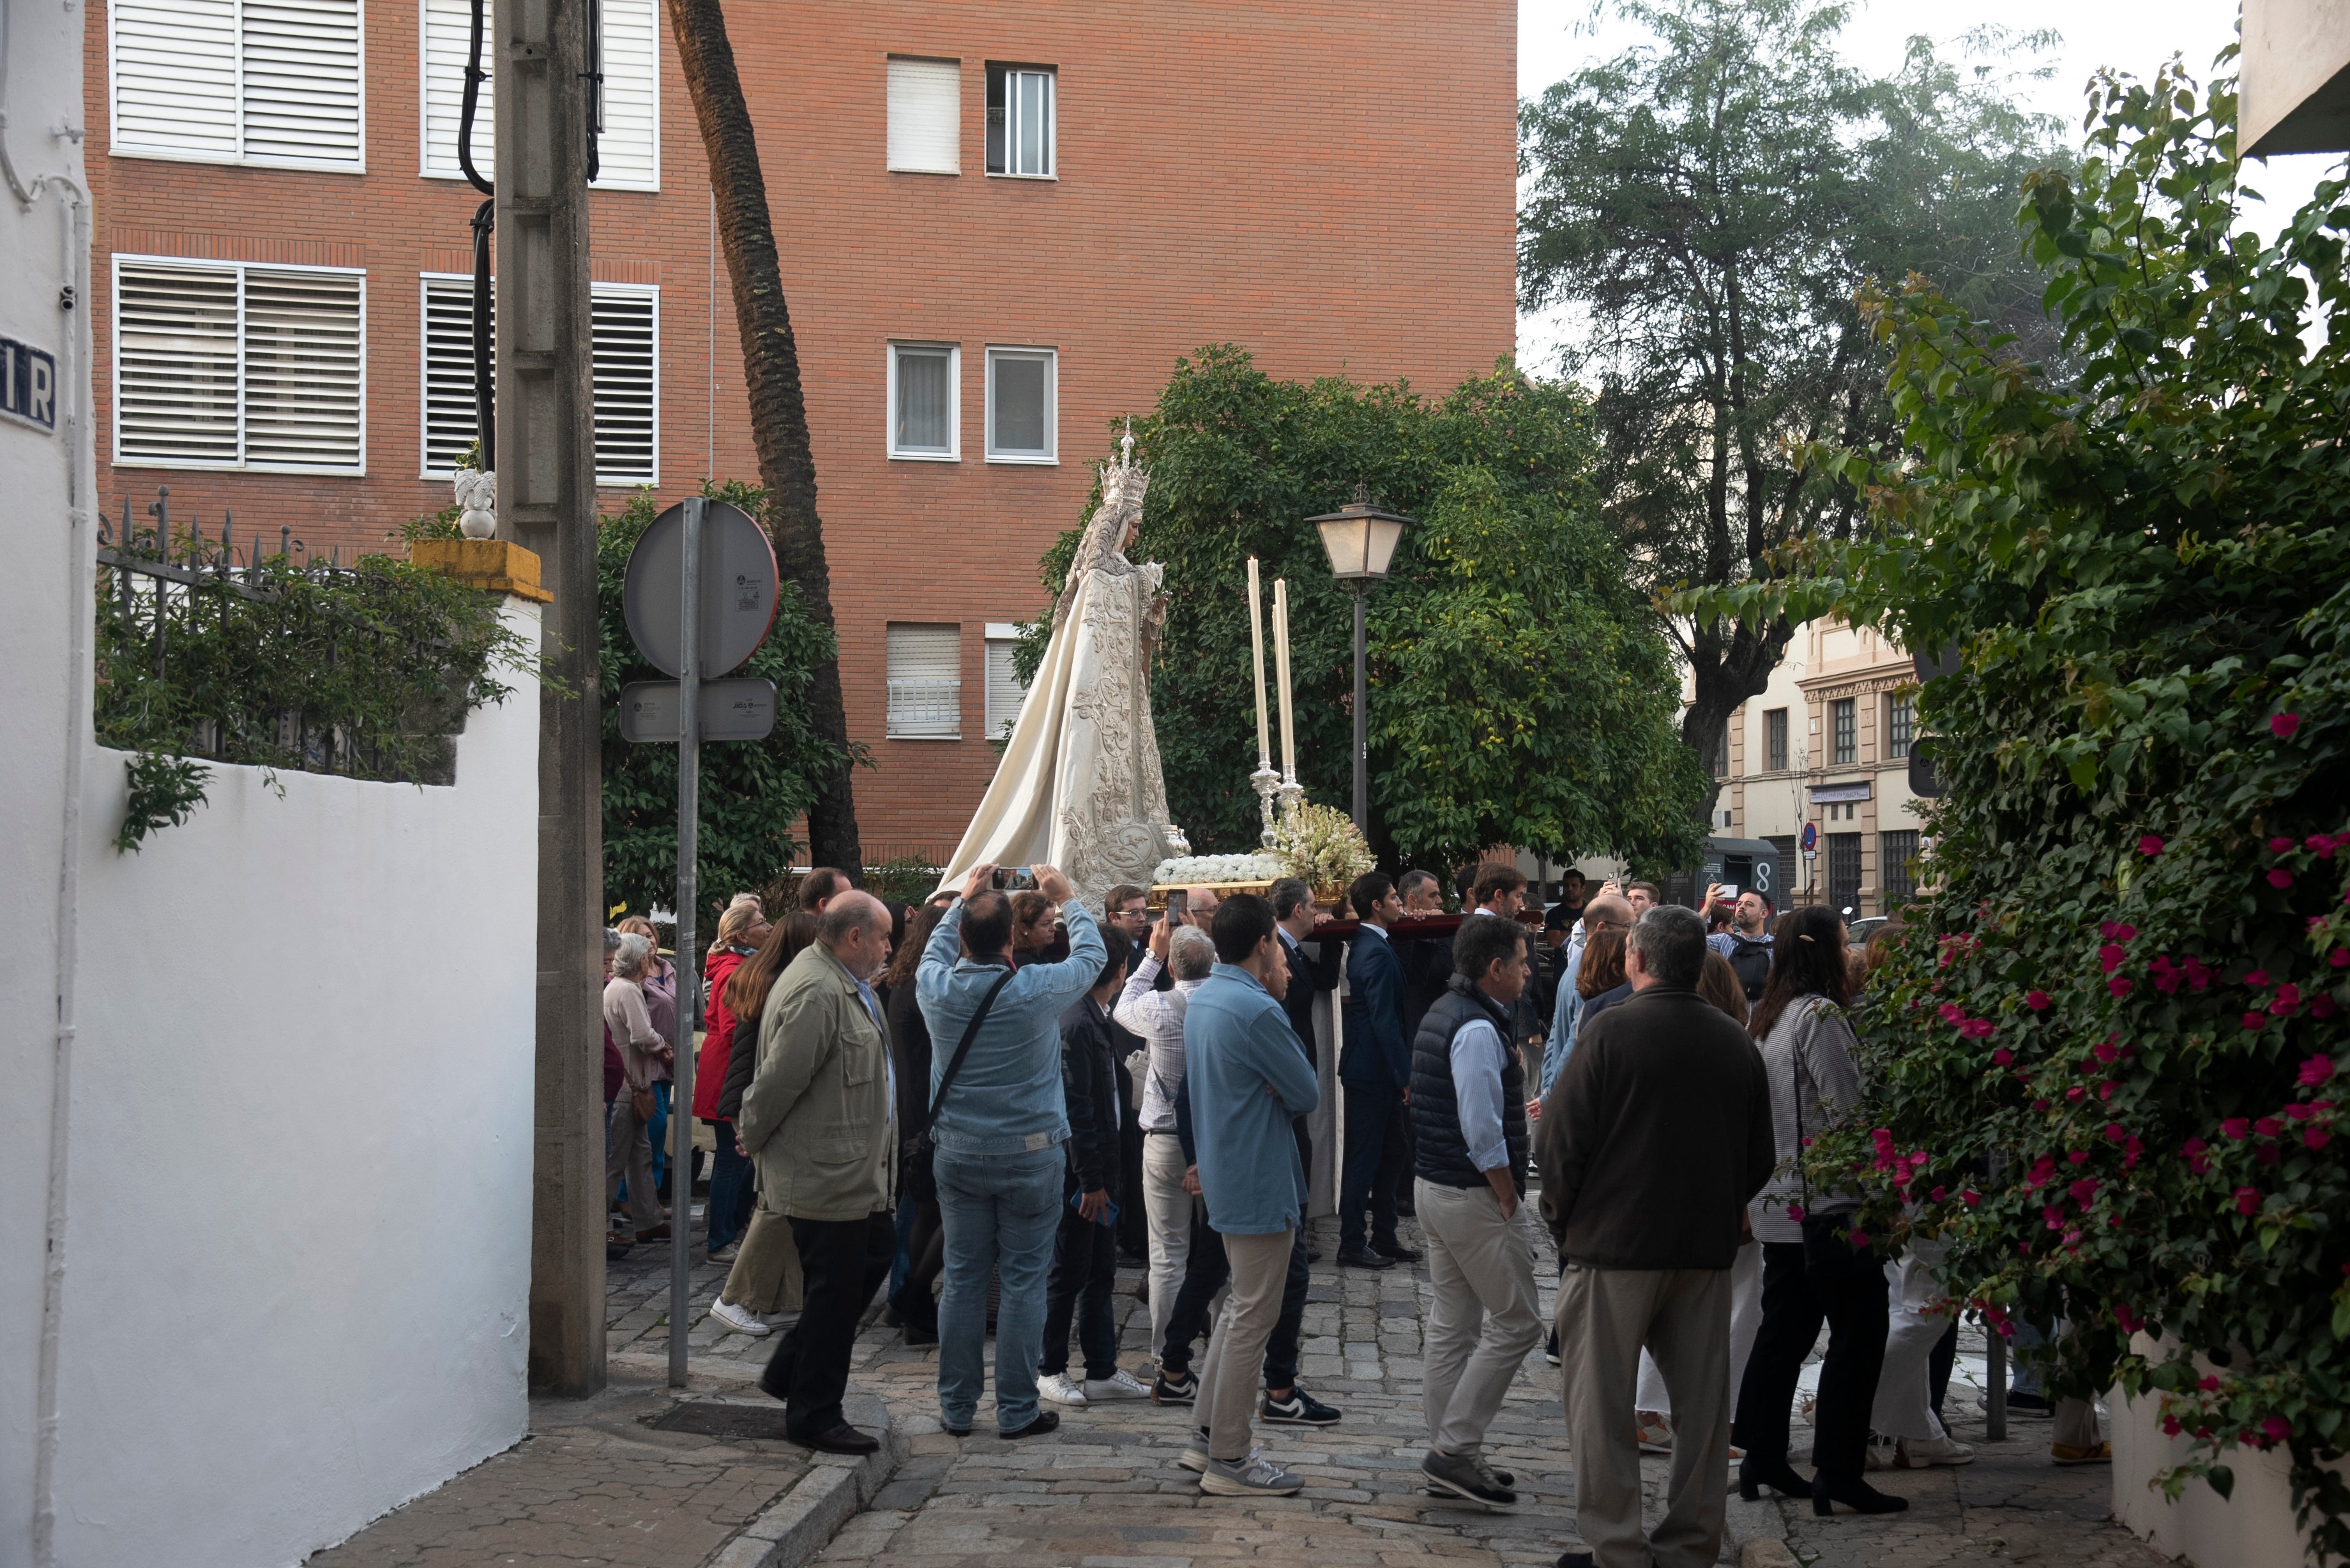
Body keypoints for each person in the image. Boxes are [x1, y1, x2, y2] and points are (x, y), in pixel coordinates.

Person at [1537, 906, 1776, 1568]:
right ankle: (1688, 1543)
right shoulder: (1733, 1038)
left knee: (1599, 1408)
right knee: (1701, 1416)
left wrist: (1565, 1222)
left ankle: (1617, 1546)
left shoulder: (1610, 1031)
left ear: (1635, 960)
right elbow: (1760, 1154)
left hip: (1612, 1247)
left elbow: (1557, 1144)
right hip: (1700, 1250)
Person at [917, 863, 1107, 1440]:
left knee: (964, 1278)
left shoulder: (937, 988)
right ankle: (1017, 1408)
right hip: (1030, 1153)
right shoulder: (1034, 989)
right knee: (1025, 1281)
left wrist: (963, 900)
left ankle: (956, 1408)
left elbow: (932, 949)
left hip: (959, 1151)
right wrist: (1068, 899)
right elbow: (1093, 958)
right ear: (1010, 940)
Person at [1732, 903, 1906, 1516]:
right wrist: (1887, 1196)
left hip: (1784, 1206)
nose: (1851, 954)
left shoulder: (1769, 1019)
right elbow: (1850, 1112)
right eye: (1843, 944)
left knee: (1784, 1333)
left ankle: (1763, 1453)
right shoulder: (1821, 1017)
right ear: (1827, 950)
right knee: (1860, 1336)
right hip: (1829, 1207)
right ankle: (1838, 1470)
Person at [738, 891, 897, 1454]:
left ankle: (790, 1370)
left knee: (874, 1256)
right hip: (824, 1173)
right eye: (882, 937)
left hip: (852, 1171)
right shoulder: (817, 989)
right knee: (834, 1297)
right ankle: (814, 1414)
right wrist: (750, 1135)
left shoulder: (844, 981)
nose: (888, 947)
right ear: (854, 937)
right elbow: (780, 1079)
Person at [1181, 894, 1321, 1496]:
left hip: (1226, 1170)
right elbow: (1307, 1091)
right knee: (1250, 1319)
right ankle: (1231, 1457)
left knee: (1239, 1308)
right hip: (1257, 1177)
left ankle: (1207, 1436)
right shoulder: (1255, 1009)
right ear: (1266, 941)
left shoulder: (1208, 995)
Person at [1413, 912, 1545, 1509]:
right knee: (1518, 1323)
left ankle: (1453, 1452)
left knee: (1454, 1325)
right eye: (1521, 962)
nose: (1527, 972)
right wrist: (1508, 1194)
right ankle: (1455, 1447)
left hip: (1440, 1186)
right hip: (1469, 1192)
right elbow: (1482, 1129)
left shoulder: (1451, 1011)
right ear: (1494, 968)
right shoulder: (1473, 1026)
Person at [1631, 951, 1763, 1454]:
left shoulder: (1659, 1037)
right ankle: (1713, 1420)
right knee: (1735, 1311)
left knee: (1671, 1308)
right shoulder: (1732, 1045)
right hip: (1719, 1196)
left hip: (1666, 1194)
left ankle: (1653, 1409)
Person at [1038, 927, 1150, 1406]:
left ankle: (1101, 1367)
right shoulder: (1078, 1023)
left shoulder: (1092, 1017)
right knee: (1069, 1270)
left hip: (1103, 1169)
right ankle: (1050, 1367)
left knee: (1101, 1268)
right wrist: (1090, 1181)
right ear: (1121, 970)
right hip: (1084, 1175)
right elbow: (1077, 1108)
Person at [710, 912, 821, 1338]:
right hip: (756, 1098)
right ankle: (734, 1299)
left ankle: (779, 1303)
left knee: (781, 1202)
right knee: (776, 1204)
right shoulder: (781, 982)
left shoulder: (761, 974)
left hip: (749, 1095)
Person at [1116, 919, 1216, 1371]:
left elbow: (1122, 1007)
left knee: (1168, 1253)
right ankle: (1222, 1348)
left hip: (1164, 1138)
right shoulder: (1224, 1004)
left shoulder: (1158, 1007)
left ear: (1173, 970)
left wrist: (1152, 956)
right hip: (1217, 1140)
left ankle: (1164, 1354)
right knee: (1219, 1248)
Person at [1338, 872, 1416, 1270]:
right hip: (1371, 1071)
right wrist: (1403, 1075)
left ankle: (1385, 1236)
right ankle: (1352, 1241)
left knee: (1392, 1153)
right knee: (1365, 1158)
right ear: (1376, 906)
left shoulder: (1375, 946)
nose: (1399, 903)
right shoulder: (1372, 949)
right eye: (1393, 897)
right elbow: (1385, 1021)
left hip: (1376, 1069)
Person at [883, 901, 950, 1345]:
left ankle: (909, 1299)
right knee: (947, 1211)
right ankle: (911, 1295)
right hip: (930, 1115)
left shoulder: (904, 983)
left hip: (917, 1111)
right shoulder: (923, 990)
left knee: (926, 1211)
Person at [695, 901, 771, 1262]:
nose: (768, 927)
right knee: (730, 1158)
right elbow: (733, 1029)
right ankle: (720, 1240)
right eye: (760, 923)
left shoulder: (739, 965)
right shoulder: (733, 971)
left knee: (739, 1158)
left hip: (730, 1072)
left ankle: (729, 1226)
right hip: (728, 1075)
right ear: (741, 935)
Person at [603, 932, 671, 1245]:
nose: (650, 962)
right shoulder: (628, 990)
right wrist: (663, 1046)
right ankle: (600, 1226)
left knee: (640, 1155)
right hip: (629, 1087)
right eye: (647, 957)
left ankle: (649, 1220)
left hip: (632, 1086)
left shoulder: (622, 987)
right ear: (638, 960)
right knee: (616, 1160)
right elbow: (642, 1035)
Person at [1268, 877, 1338, 1174]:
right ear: (1298, 910)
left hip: (1296, 1065)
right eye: (1312, 906)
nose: (1315, 912)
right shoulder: (1277, 950)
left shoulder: (1293, 949)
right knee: (1297, 1151)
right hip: (1283, 1071)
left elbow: (1325, 980)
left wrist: (1332, 933)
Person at [1102, 884, 1154, 1263]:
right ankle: (1127, 1236)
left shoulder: (1144, 949)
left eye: (1143, 912)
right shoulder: (1113, 954)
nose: (1141, 919)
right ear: (1112, 918)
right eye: (1132, 913)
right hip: (1123, 1054)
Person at [1542, 893, 1633, 1095]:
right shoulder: (1595, 974)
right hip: (1572, 1091)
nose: (1632, 934)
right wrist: (1551, 1093)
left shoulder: (1577, 962)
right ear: (1603, 928)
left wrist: (1547, 1083)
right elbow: (1575, 1041)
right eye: (1627, 927)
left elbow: (1556, 1034)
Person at [618, 916, 681, 1195]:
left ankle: (650, 1199)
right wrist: (661, 1047)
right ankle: (626, 1196)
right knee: (650, 1130)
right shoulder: (632, 980)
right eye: (642, 937)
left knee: (658, 1132)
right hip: (647, 1062)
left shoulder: (669, 969)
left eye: (651, 935)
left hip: (668, 1062)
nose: (650, 941)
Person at [1722, 891, 1775, 1003]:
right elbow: (1687, 939)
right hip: (1729, 1015)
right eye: (1739, 904)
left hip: (1764, 1016)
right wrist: (1706, 909)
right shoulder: (1722, 941)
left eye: (1749, 904)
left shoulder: (1778, 947)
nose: (1741, 907)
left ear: (1764, 914)